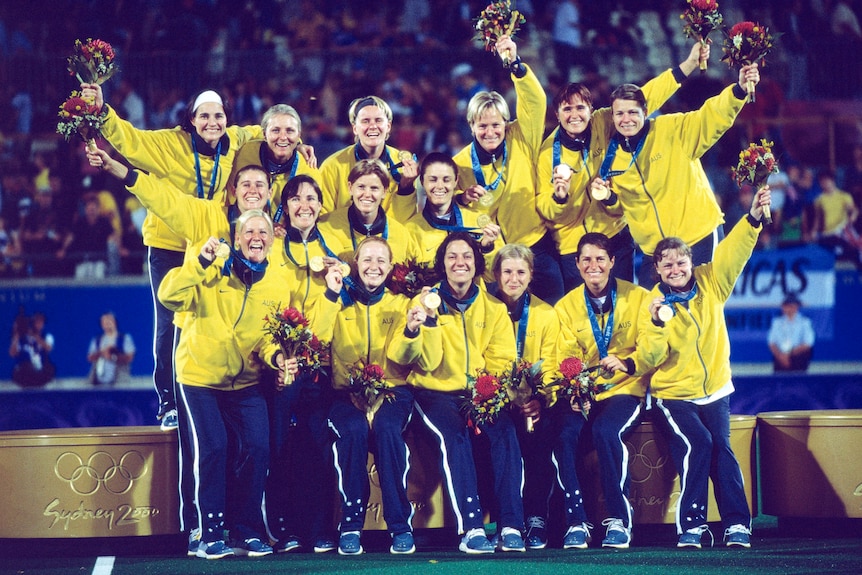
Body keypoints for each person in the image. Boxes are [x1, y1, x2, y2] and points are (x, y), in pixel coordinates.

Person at [80, 81, 262, 430]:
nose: (213, 122)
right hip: (168, 246)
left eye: (219, 115)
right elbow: (129, 139)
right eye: (204, 116)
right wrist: (102, 111)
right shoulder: (169, 144)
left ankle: (211, 392)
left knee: (212, 320)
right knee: (168, 324)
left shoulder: (235, 141)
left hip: (210, 244)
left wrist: (300, 144)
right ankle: (168, 400)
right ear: (191, 120)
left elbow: (266, 130)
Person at [637, 186, 772, 549]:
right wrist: (655, 325)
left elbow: (735, 251)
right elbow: (648, 360)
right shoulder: (653, 303)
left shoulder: (712, 281)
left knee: (722, 450)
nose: (675, 269)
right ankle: (692, 526)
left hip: (715, 389)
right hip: (674, 394)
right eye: (667, 265)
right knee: (700, 442)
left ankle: (737, 524)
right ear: (658, 270)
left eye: (681, 262)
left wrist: (754, 218)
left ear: (690, 261)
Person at [158, 209, 288, 560]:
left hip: (245, 382)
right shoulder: (211, 268)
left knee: (259, 446)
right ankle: (209, 533)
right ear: (237, 238)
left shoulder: (278, 282)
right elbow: (168, 296)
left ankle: (247, 530)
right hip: (199, 377)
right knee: (213, 447)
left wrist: (277, 358)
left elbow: (268, 338)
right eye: (249, 232)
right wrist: (200, 262)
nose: (256, 238)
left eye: (263, 232)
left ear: (272, 241)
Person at [537, 43, 708, 292]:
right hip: (573, 248)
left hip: (614, 239)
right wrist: (558, 198)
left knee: (623, 315)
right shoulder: (546, 154)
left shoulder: (604, 122)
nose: (575, 115)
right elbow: (544, 208)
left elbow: (644, 97)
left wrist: (688, 65)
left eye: (581, 108)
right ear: (557, 113)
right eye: (567, 109)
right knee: (581, 321)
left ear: (591, 109)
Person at [590, 64, 762, 287]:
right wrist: (608, 198)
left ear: (645, 110)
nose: (626, 119)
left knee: (701, 307)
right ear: (612, 117)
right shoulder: (610, 156)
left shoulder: (672, 130)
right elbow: (622, 209)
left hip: (696, 239)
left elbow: (711, 118)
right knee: (650, 316)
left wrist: (738, 91)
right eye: (620, 114)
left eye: (633, 112)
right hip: (656, 253)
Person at [401, 232, 517, 554]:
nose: (459, 262)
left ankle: (511, 525)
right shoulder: (424, 304)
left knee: (505, 432)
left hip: (479, 393)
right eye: (452, 256)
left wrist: (487, 392)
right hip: (434, 393)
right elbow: (422, 359)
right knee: (456, 437)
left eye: (466, 256)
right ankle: (472, 528)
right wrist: (428, 325)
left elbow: (502, 360)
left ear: (477, 263)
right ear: (442, 264)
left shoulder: (493, 308)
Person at [554, 232, 652, 549]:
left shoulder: (638, 297)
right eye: (586, 259)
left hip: (626, 389)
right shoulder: (566, 307)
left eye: (600, 258)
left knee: (606, 431)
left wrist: (629, 362)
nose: (593, 265)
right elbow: (565, 356)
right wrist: (575, 382)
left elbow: (653, 345)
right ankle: (577, 521)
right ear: (577, 264)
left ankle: (618, 520)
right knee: (564, 434)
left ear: (612, 262)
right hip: (585, 393)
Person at [326, 237, 422, 555]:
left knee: (386, 431)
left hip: (393, 392)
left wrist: (410, 330)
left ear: (391, 267)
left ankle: (400, 526)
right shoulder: (337, 303)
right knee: (352, 432)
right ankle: (351, 525)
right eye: (367, 260)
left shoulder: (400, 304)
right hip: (346, 394)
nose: (374, 267)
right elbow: (323, 339)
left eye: (381, 261)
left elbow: (405, 358)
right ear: (355, 263)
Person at [453, 34, 565, 304]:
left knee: (554, 313)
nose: (490, 132)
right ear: (471, 126)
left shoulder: (521, 137)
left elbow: (536, 101)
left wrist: (516, 65)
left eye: (496, 124)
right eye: (482, 125)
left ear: (507, 122)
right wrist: (460, 197)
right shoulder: (460, 164)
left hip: (537, 247)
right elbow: (449, 207)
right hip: (495, 258)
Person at [265, 174, 342, 554]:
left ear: (321, 205)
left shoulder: (335, 248)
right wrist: (280, 357)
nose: (304, 205)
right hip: (277, 365)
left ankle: (321, 528)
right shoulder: (273, 246)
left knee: (317, 442)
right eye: (295, 198)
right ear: (285, 206)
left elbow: (329, 320)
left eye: (311, 198)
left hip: (317, 366)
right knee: (280, 446)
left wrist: (333, 285)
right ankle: (284, 528)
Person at [488, 244, 558, 550]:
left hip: (533, 401)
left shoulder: (545, 314)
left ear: (531, 276)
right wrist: (497, 395)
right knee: (495, 436)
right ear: (496, 275)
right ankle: (500, 520)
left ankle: (536, 517)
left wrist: (540, 399)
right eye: (507, 272)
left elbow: (553, 363)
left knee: (543, 434)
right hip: (496, 400)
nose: (513, 279)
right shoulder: (486, 308)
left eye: (520, 272)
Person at [319, 95, 419, 222]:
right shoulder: (332, 166)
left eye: (378, 120)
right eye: (365, 121)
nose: (372, 126)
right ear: (355, 128)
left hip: (389, 239)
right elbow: (323, 219)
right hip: (343, 239)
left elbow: (405, 222)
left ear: (388, 126)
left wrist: (406, 189)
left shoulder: (403, 163)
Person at [405, 152, 502, 281]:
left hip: (473, 300)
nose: (440, 186)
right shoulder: (412, 229)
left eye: (446, 180)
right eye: (433, 179)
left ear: (456, 180)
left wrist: (487, 248)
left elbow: (492, 277)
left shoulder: (477, 221)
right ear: (422, 181)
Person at [230, 104, 321, 224]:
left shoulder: (309, 169)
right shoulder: (243, 152)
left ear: (299, 135)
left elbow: (316, 216)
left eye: (289, 131)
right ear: (264, 134)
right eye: (275, 130)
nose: (283, 137)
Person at [319, 159, 419, 265]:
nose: (367, 194)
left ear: (384, 191)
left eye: (374, 188)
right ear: (350, 188)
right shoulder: (327, 226)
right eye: (361, 187)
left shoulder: (401, 235)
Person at [767, 293, 815, 372]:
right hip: (780, 357)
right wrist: (780, 356)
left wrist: (789, 354)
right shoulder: (777, 322)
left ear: (796, 307)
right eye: (786, 306)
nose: (788, 308)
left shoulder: (805, 322)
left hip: (797, 357)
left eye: (791, 306)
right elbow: (771, 342)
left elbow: (808, 344)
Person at [87, 312, 136, 386]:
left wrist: (113, 357)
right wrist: (102, 352)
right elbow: (90, 357)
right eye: (104, 322)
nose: (107, 324)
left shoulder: (124, 338)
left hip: (120, 382)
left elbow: (130, 357)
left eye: (109, 321)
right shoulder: (97, 340)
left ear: (115, 322)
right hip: (99, 383)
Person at [9, 311, 55, 387]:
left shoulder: (47, 336)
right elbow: (12, 353)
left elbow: (48, 348)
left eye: (41, 322)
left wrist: (35, 335)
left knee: (49, 369)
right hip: (25, 372)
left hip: (41, 371)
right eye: (37, 322)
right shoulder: (22, 337)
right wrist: (16, 336)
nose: (39, 324)